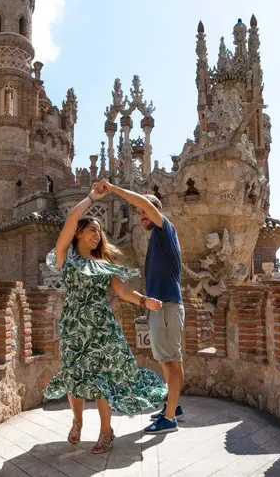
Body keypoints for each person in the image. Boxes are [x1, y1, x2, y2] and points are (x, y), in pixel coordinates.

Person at [42, 185, 168, 454]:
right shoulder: (66, 257)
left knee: (103, 381)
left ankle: (106, 432)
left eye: (99, 231)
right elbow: (70, 220)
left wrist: (145, 301)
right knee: (74, 375)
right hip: (74, 326)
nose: (97, 235)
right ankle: (77, 422)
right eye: (92, 230)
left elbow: (122, 292)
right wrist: (91, 198)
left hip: (101, 328)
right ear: (78, 234)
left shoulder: (104, 265)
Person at [94, 180, 184, 435]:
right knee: (167, 360)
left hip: (166, 305)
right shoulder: (157, 238)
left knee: (171, 361)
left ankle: (169, 419)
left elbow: (144, 202)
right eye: (139, 214)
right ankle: (173, 407)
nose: (141, 216)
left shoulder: (165, 229)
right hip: (160, 306)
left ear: (155, 211)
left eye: (144, 212)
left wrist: (112, 188)